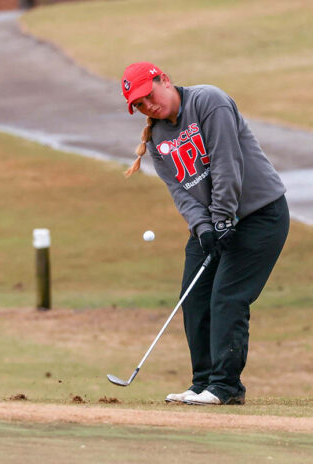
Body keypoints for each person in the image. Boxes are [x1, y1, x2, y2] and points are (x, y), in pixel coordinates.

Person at [121, 62, 289, 405]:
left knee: (228, 297)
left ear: (164, 80)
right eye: (139, 104)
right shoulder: (157, 140)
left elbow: (228, 162)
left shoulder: (209, 101)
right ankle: (202, 384)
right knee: (194, 297)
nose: (148, 106)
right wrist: (204, 228)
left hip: (260, 215)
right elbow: (182, 192)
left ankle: (226, 387)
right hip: (214, 222)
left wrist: (223, 218)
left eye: (148, 95)